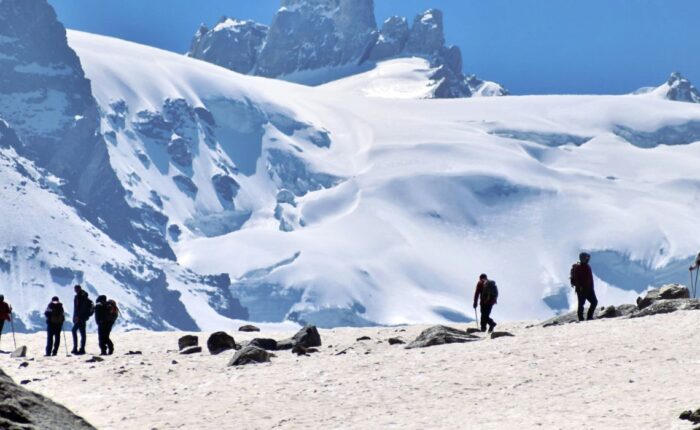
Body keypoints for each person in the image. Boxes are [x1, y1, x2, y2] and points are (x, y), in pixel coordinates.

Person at [570, 252, 598, 321]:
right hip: (581, 290)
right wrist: (580, 287)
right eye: (586, 258)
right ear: (583, 258)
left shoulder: (587, 266)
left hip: (589, 289)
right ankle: (581, 319)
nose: (588, 259)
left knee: (594, 302)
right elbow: (577, 279)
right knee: (581, 304)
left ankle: (589, 317)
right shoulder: (578, 268)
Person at [71, 285, 93, 355]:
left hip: (79, 317)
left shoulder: (80, 297)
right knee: (82, 333)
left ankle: (76, 348)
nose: (76, 290)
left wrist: (76, 316)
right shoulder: (84, 297)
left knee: (74, 331)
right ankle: (81, 348)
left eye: (76, 289)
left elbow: (78, 308)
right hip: (82, 318)